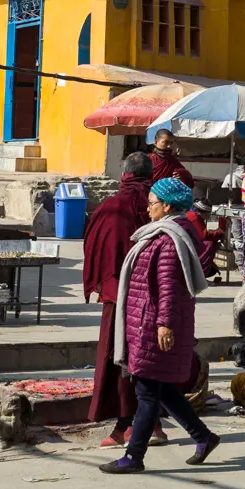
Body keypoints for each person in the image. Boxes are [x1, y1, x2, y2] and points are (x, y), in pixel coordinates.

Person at [101, 177, 221, 474]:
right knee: (161, 388)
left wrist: (165, 324)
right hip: (148, 321)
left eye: (153, 202)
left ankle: (134, 456)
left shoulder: (168, 240)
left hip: (154, 326)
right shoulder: (165, 233)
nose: (148, 207)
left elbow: (169, 286)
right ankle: (204, 437)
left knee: (146, 393)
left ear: (167, 206)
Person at [85, 153, 156, 445]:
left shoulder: (110, 207)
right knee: (149, 359)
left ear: (124, 173)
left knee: (118, 359)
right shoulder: (157, 207)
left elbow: (93, 247)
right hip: (153, 297)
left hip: (118, 296)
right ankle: (150, 424)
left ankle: (127, 424)